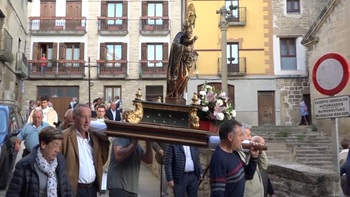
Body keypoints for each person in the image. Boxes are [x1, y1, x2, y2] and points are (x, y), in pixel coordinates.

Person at [6, 126, 73, 197]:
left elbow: (66, 189)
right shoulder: (25, 165)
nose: (57, 150)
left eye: (59, 146)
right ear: (43, 144)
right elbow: (12, 193)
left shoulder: (60, 161)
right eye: (55, 145)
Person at [61, 104, 110, 196]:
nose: (87, 121)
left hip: (92, 189)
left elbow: (101, 161)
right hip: (74, 190)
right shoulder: (64, 137)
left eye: (89, 117)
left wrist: (104, 141)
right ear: (74, 118)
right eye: (83, 117)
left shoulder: (94, 138)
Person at [209, 119, 258, 197]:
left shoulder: (234, 153)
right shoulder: (219, 160)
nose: (242, 139)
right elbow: (217, 194)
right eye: (240, 135)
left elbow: (248, 175)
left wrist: (254, 157)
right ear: (230, 137)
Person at [166, 19, 198, 101]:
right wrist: (184, 48)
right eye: (189, 32)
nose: (190, 34)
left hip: (184, 62)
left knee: (186, 77)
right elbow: (175, 45)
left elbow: (188, 43)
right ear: (185, 31)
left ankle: (179, 94)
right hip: (178, 63)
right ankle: (174, 94)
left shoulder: (187, 39)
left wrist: (193, 41)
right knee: (181, 77)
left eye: (191, 32)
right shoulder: (180, 35)